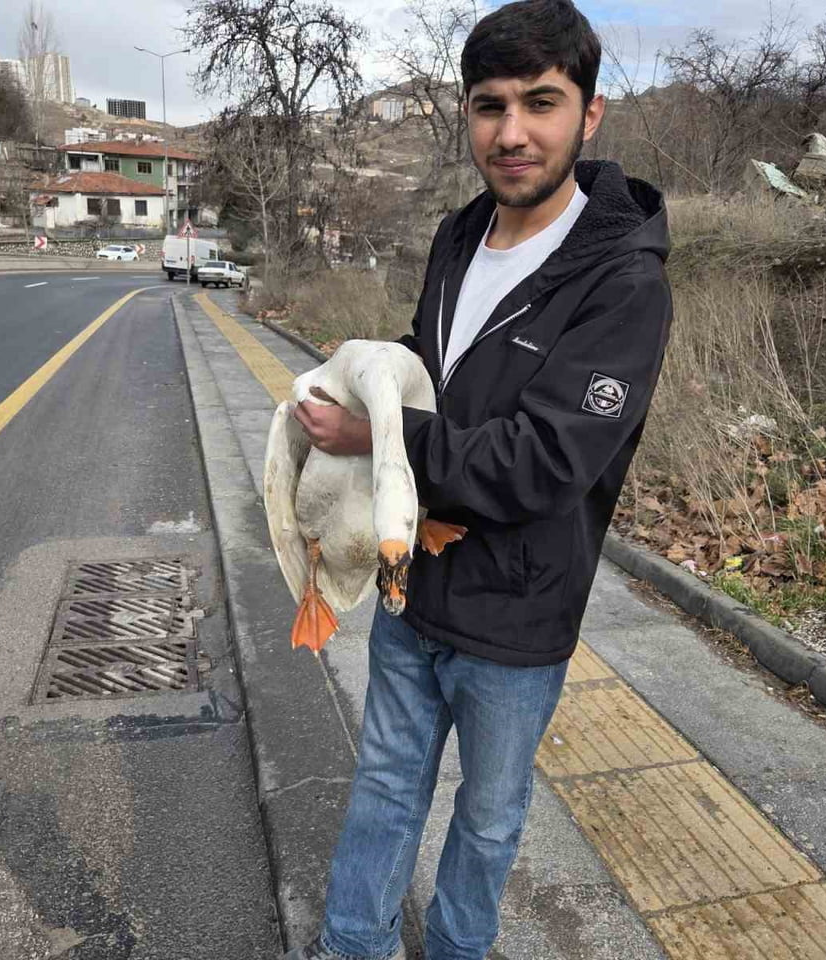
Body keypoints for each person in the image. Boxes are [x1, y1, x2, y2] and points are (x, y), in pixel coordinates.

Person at [288, 1, 672, 957]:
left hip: (519, 615)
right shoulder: (461, 237)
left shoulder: (624, 282)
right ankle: (352, 946)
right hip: (411, 580)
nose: (512, 133)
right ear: (465, 114)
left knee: (490, 819)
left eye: (541, 102)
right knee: (383, 785)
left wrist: (377, 433)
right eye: (489, 105)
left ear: (590, 115)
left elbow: (543, 462)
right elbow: (434, 366)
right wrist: (371, 376)